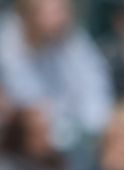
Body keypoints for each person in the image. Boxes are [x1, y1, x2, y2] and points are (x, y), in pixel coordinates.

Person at [0, 0, 112, 141]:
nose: (62, 18)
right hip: (20, 140)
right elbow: (29, 104)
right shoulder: (7, 45)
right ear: (29, 14)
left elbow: (96, 87)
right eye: (54, 12)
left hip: (75, 134)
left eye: (62, 10)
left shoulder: (72, 37)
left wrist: (92, 128)